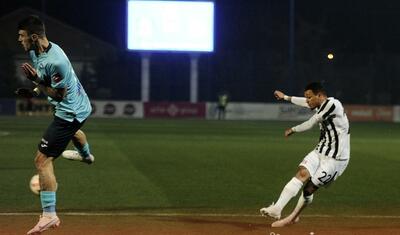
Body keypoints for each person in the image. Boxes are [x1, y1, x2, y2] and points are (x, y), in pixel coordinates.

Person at [16, 15, 95, 234]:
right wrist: (33, 91)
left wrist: (37, 83)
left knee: (42, 160)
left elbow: (58, 94)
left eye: (22, 36)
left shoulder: (56, 60)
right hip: (79, 107)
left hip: (70, 111)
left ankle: (49, 214)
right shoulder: (37, 52)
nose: (19, 40)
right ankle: (86, 156)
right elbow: (45, 79)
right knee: (73, 133)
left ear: (33, 36)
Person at [260, 82, 350, 227]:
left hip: (336, 159)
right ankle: (277, 208)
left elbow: (311, 122)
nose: (307, 101)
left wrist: (293, 129)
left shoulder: (333, 105)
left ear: (319, 96)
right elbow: (304, 102)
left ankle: (293, 217)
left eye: (309, 97)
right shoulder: (319, 104)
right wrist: (286, 97)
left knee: (308, 190)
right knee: (302, 173)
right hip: (321, 150)